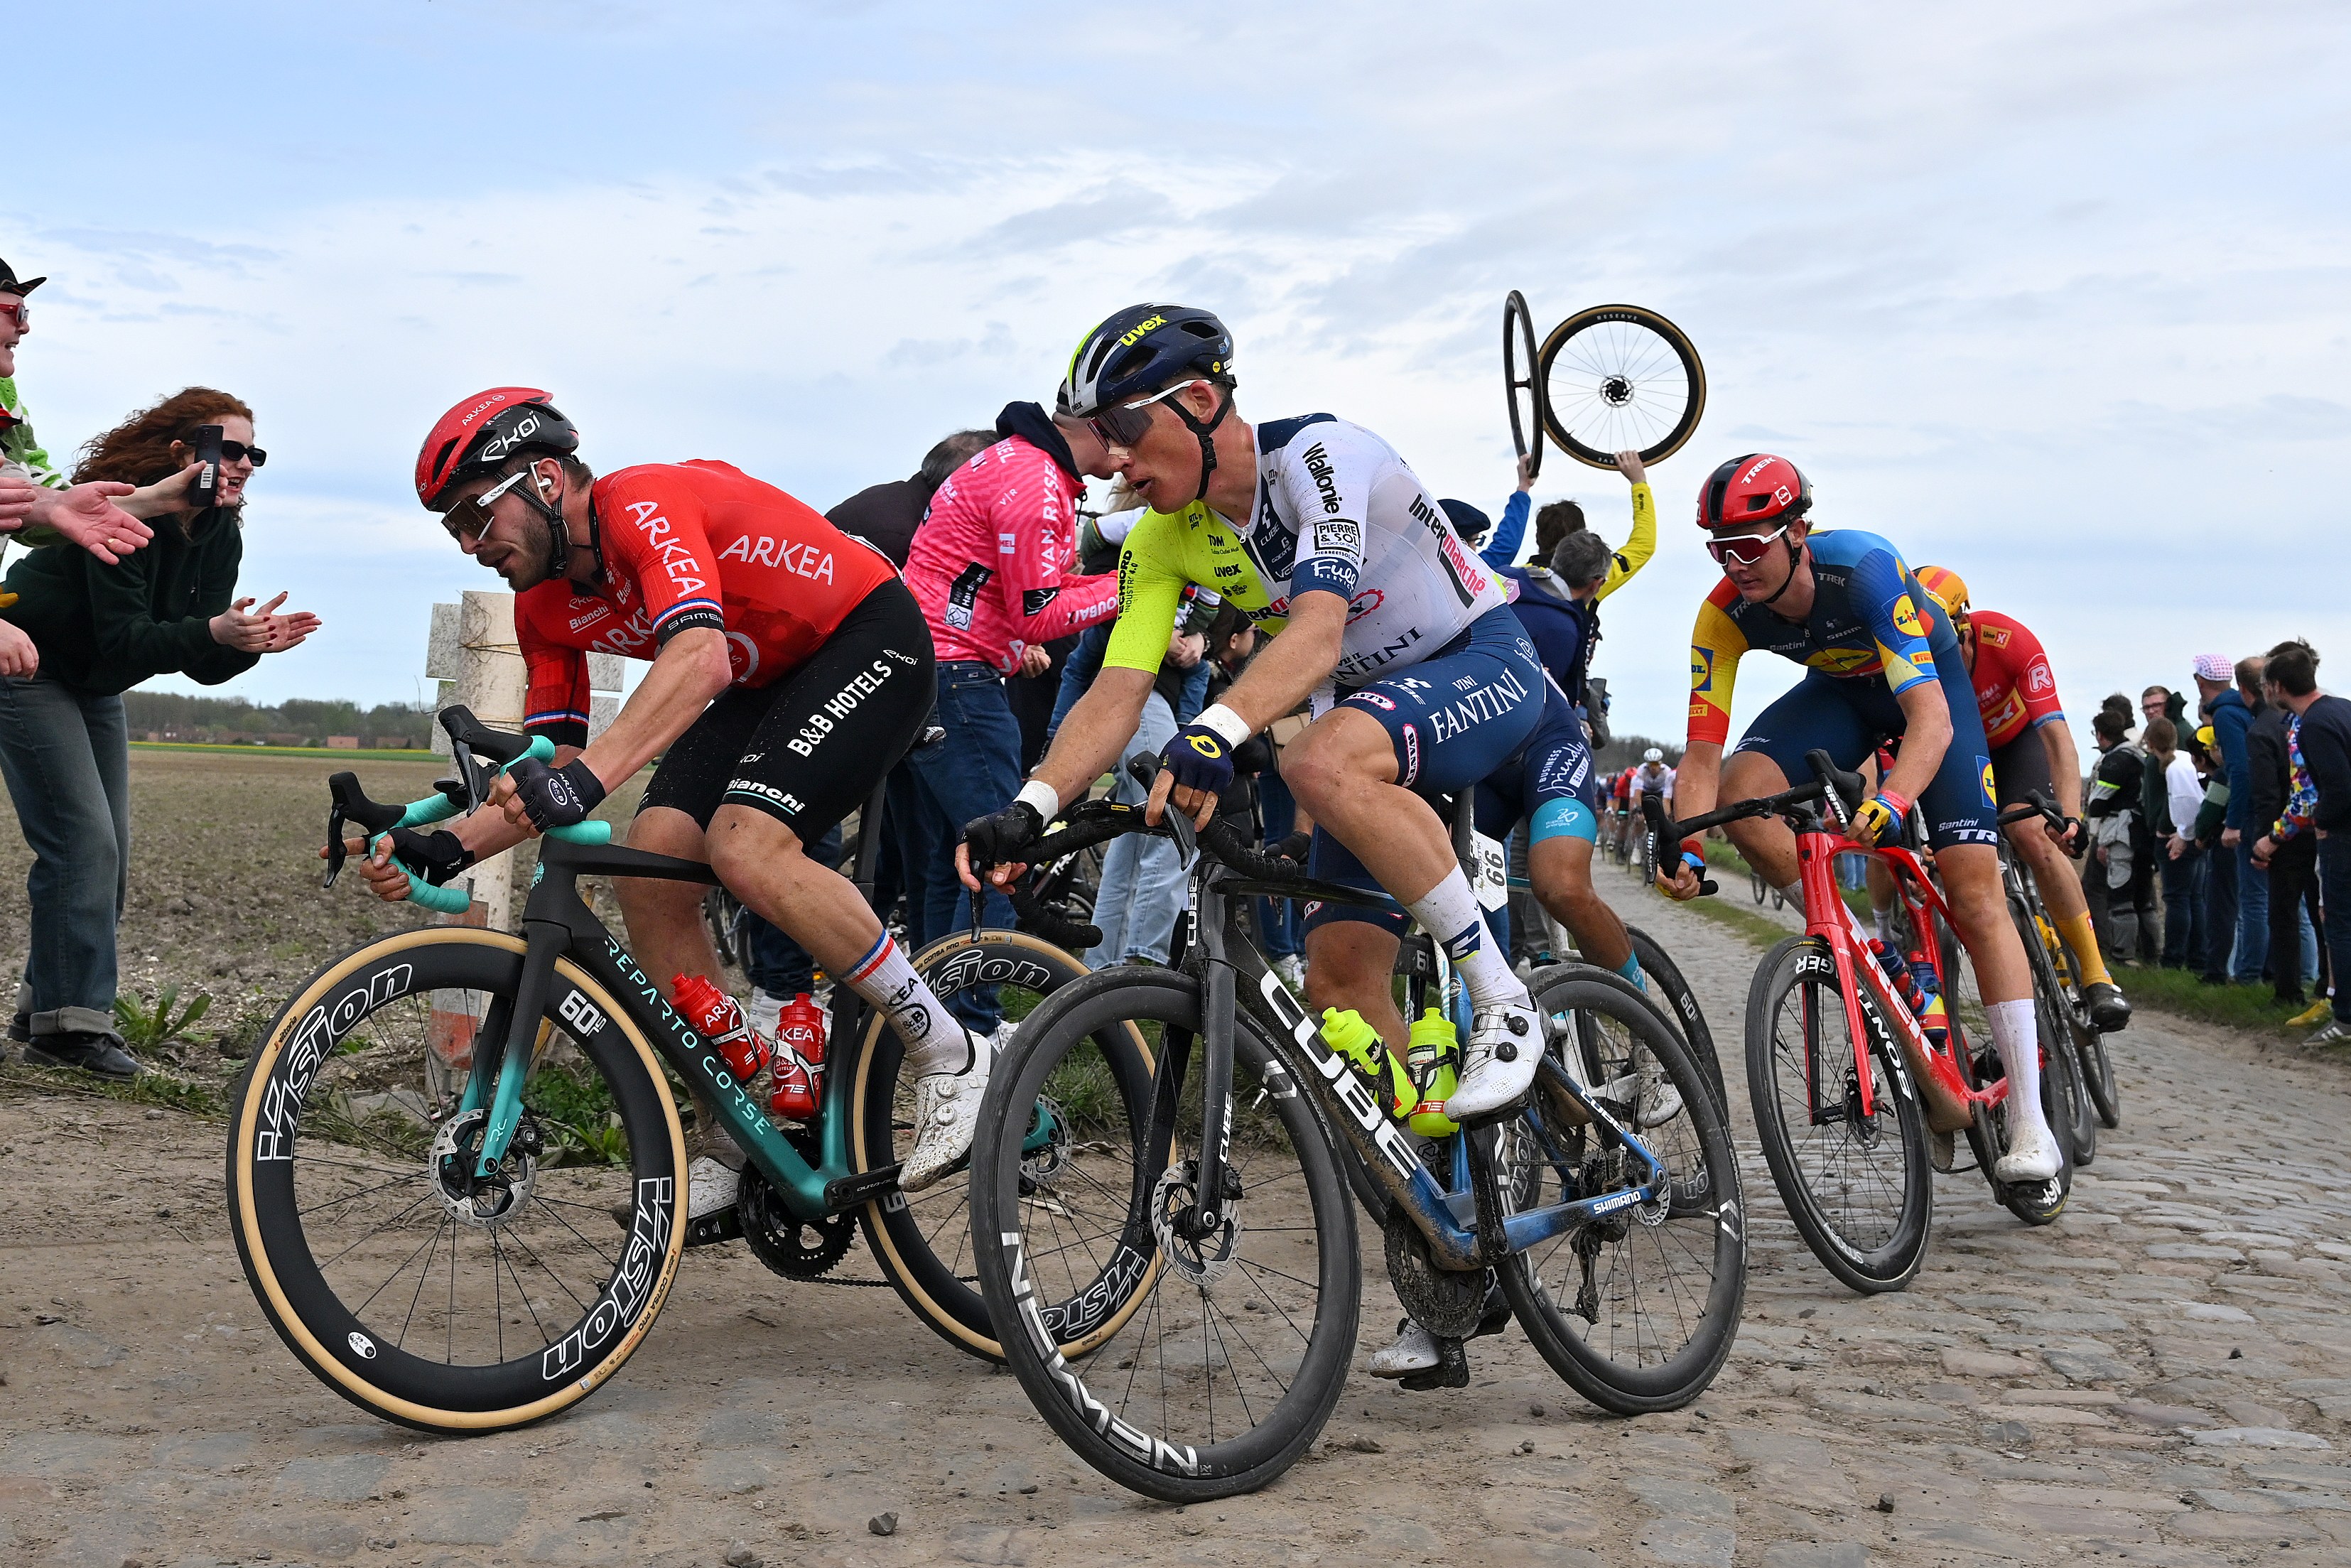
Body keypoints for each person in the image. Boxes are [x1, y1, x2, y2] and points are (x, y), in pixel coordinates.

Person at [363, 388, 975, 1211]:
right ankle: (730, 1124)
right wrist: (449, 846)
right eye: (453, 530)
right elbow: (560, 761)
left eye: (476, 515)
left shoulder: (640, 503)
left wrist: (583, 782)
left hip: (866, 634)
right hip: (768, 678)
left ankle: (951, 1052)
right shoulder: (543, 606)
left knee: (745, 845)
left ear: (546, 479)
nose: (471, 545)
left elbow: (700, 661)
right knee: (650, 868)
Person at [961, 302, 1548, 1125]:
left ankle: (1505, 999)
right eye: (1099, 433)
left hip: (1475, 659)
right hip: (1360, 710)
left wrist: (1216, 729)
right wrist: (1031, 807)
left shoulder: (1322, 456)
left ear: (1201, 403)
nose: (1112, 462)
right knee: (1336, 982)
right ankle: (1441, 1205)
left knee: (1318, 758)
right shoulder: (1162, 539)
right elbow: (1117, 690)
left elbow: (1317, 627)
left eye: (1125, 427)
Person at [1658, 453, 2062, 1182]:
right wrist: (1684, 842)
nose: (1735, 563)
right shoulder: (1723, 614)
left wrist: (1893, 800)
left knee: (1974, 891)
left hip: (1931, 696)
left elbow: (1930, 719)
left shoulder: (1864, 570)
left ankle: (2032, 1122)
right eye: (1720, 548)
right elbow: (1699, 759)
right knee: (1743, 790)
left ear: (1798, 531)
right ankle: (1867, 947)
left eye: (1750, 545)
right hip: (1841, 696)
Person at [1, 387, 318, 1078]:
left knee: (105, 854)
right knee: (82, 842)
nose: (242, 464)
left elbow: (196, 665)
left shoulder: (220, 532)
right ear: (184, 452)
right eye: (229, 448)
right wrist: (213, 632)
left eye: (253, 454)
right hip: (27, 661)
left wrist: (245, 643)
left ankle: (43, 1012)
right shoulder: (124, 516)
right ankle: (70, 1028)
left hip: (94, 680)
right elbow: (127, 641)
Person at [900, 401, 1120, 1049]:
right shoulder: (1035, 478)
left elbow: (1017, 593)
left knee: (958, 859)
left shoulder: (1016, 462)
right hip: (958, 679)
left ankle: (938, 1027)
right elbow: (1040, 613)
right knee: (1006, 854)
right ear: (1105, 424)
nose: (1134, 460)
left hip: (936, 671)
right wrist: (1138, 584)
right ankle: (973, 1029)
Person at [1909, 567, 2129, 1027]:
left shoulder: (2009, 640)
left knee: (2030, 831)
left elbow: (2057, 739)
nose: (1935, 656)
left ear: (1965, 627)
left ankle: (2095, 974)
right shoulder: (1905, 663)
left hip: (2015, 746)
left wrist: (2069, 816)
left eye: (1943, 642)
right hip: (1952, 755)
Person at [0, 254, 165, 600]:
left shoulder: (6, 399)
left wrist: (162, 498)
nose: (25, 327)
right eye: (16, 313)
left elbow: (30, 494)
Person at [2249, 639, 2351, 1047]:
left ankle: (2343, 1015)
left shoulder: (2311, 723)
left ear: (2276, 686)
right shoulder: (2342, 706)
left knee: (2336, 922)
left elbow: (2317, 792)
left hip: (2335, 836)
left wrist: (2314, 824)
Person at [2189, 654, 2247, 982]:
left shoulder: (2224, 716)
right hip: (2255, 816)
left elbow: (2233, 773)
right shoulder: (2246, 710)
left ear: (2200, 680)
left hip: (2231, 825)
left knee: (2223, 905)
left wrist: (2210, 827)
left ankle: (2218, 971)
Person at [2086, 705, 2158, 967]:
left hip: (2121, 836)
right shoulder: (2141, 755)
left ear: (2102, 734)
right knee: (2145, 900)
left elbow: (2098, 804)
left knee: (2121, 899)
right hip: (2145, 835)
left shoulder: (2115, 761)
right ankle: (2152, 956)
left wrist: (2100, 837)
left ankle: (2122, 955)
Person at [2149, 717, 2208, 970]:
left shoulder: (2173, 768)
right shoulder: (2185, 758)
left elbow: (2186, 803)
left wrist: (2182, 835)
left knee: (2176, 899)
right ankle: (2197, 958)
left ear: (2151, 744)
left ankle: (2173, 958)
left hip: (2182, 839)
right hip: (2197, 837)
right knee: (2195, 898)